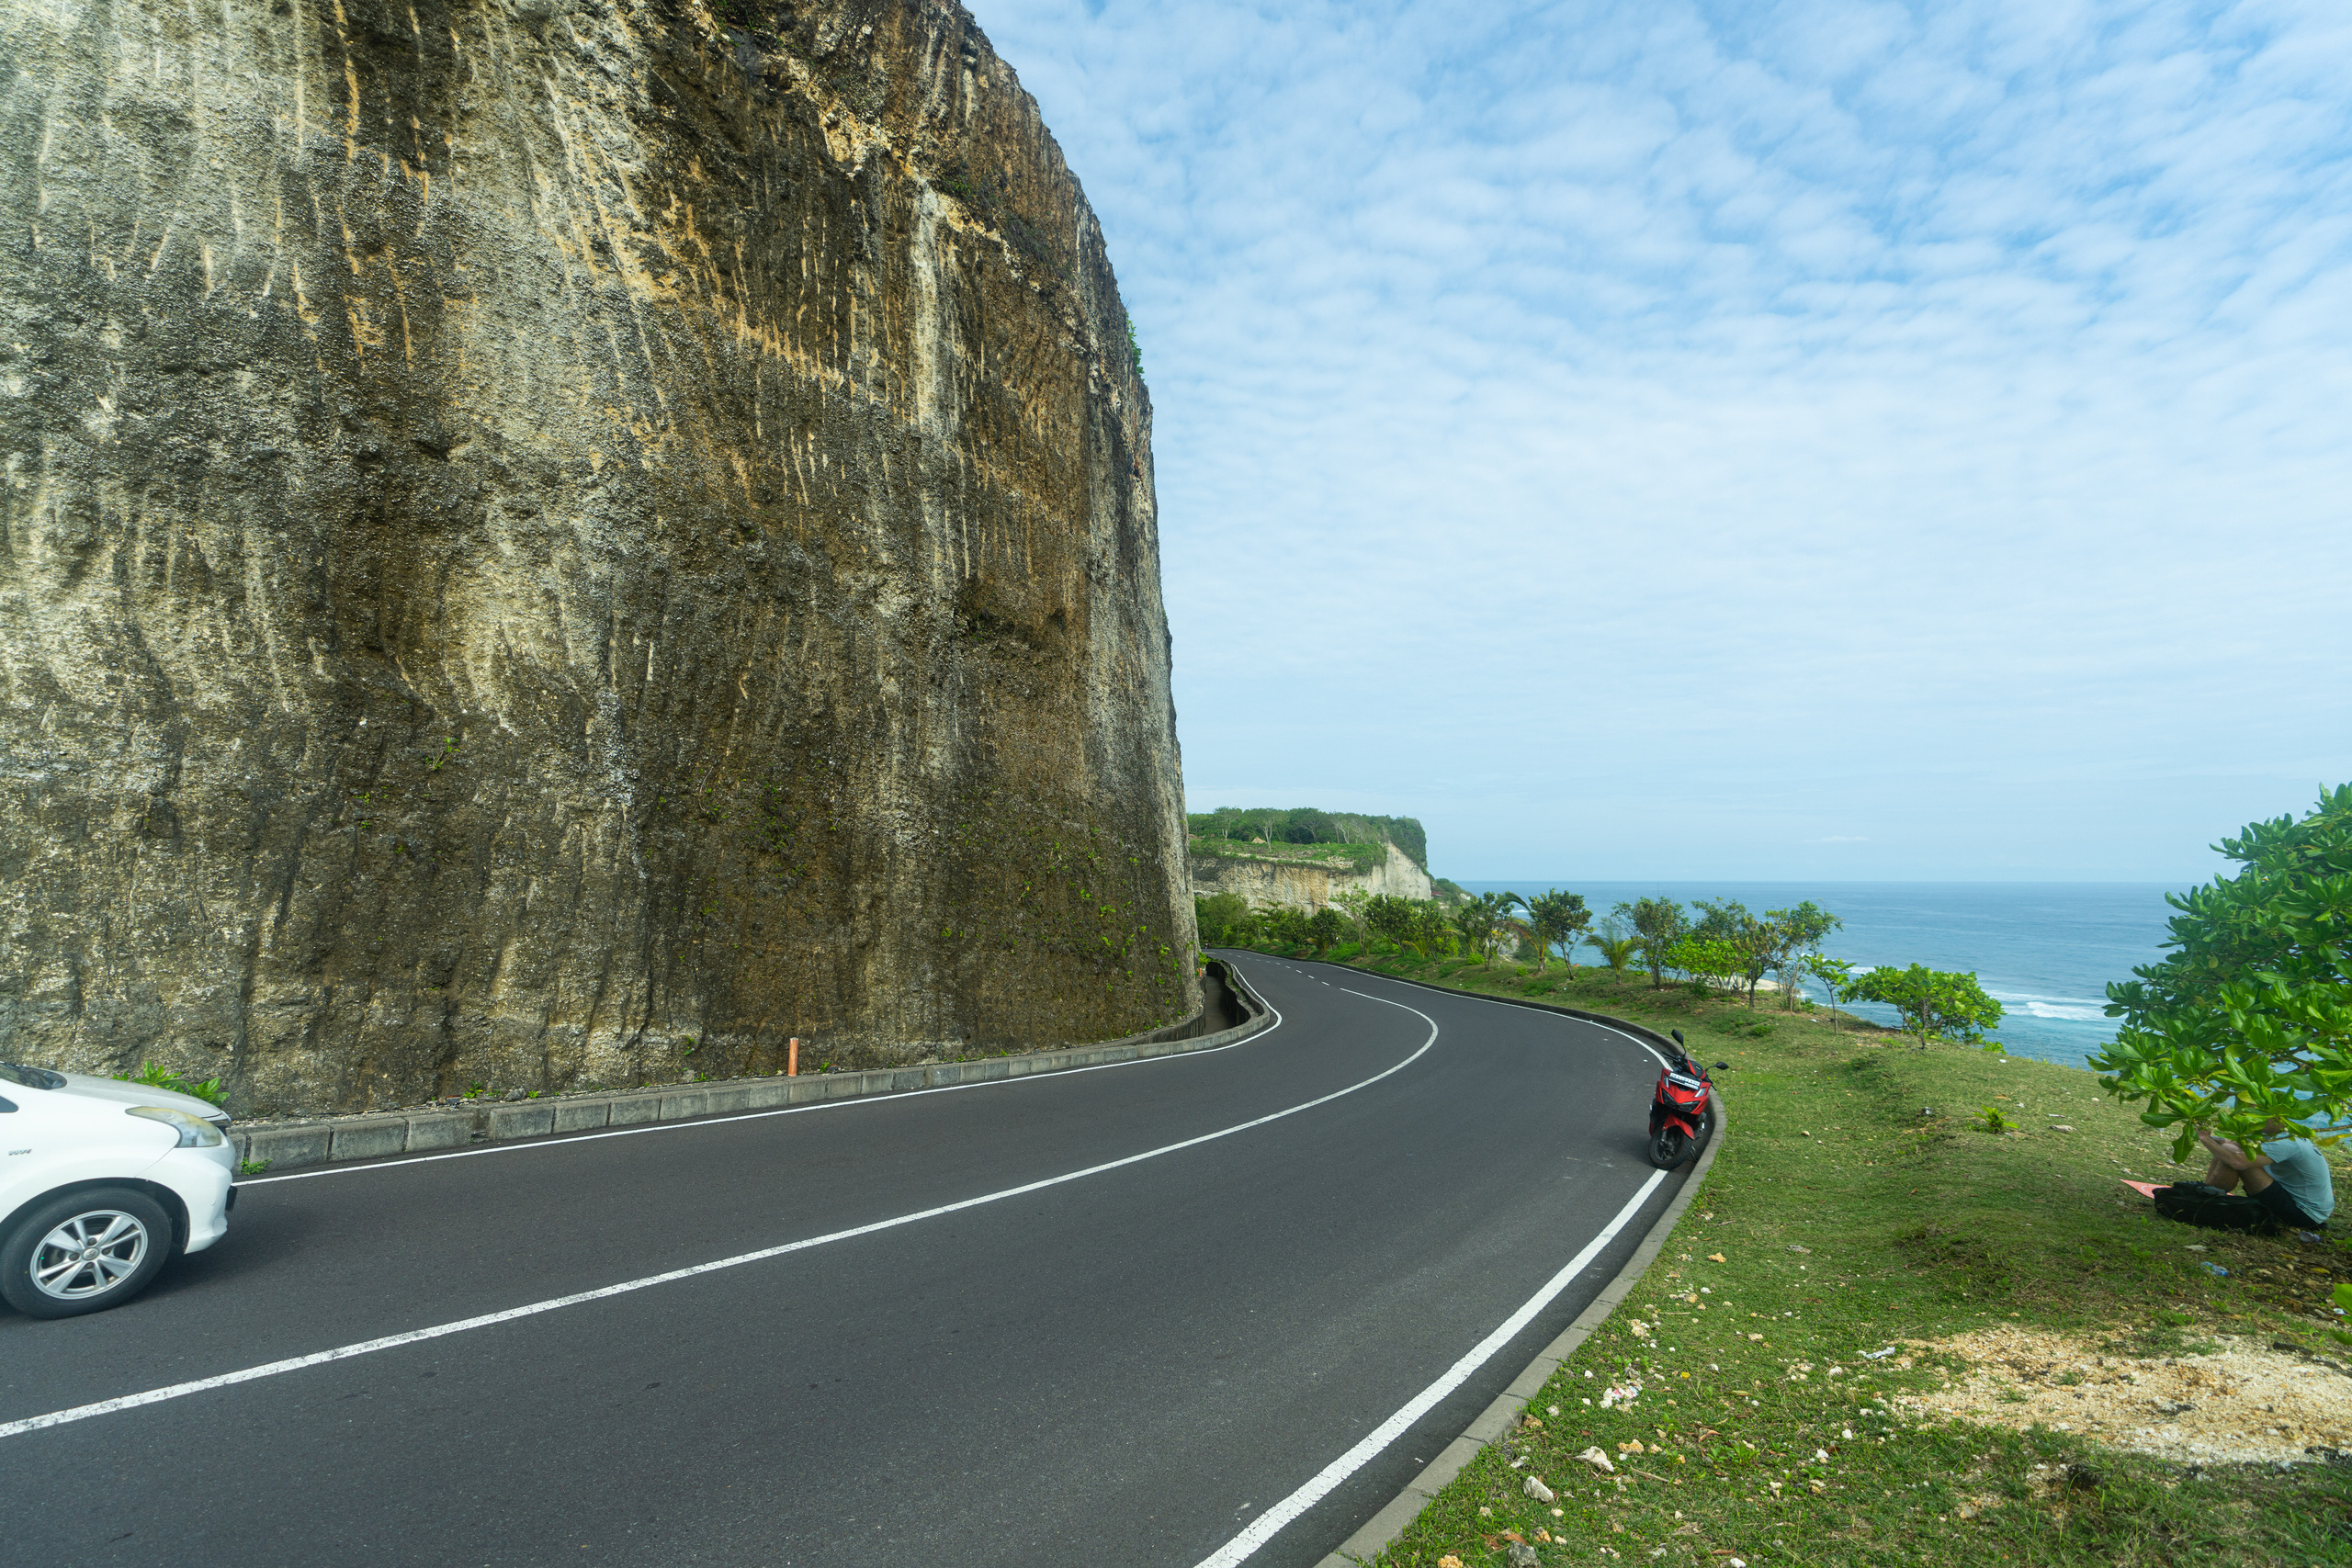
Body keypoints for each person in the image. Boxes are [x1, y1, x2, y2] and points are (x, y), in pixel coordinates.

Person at [2152, 1119, 2335, 1234]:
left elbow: (2238, 1162)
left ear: (2278, 1119)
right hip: (2299, 1204)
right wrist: (2207, 1135)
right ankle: (2209, 1191)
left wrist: (2205, 1140)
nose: (2254, 1120)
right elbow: (2229, 1142)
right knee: (2229, 1149)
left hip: (2304, 1214)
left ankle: (2209, 1192)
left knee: (2234, 1155)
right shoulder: (2280, 1135)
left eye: (2261, 1117)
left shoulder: (2289, 1142)